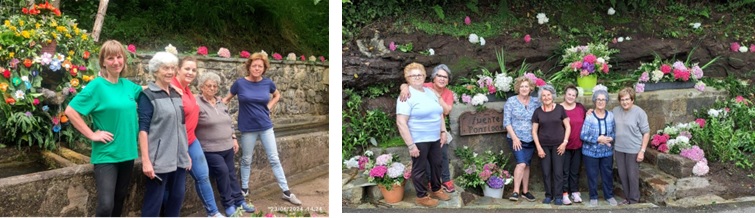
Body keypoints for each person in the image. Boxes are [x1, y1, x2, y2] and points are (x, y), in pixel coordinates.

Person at [65, 40, 142, 217]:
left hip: (127, 152)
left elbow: (148, 90)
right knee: (106, 204)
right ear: (103, 62)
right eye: (110, 58)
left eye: (119, 57)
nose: (116, 62)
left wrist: (174, 85)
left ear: (124, 59)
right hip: (106, 154)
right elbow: (71, 111)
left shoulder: (128, 86)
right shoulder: (97, 86)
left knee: (120, 198)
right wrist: (92, 134)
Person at [222, 52, 301, 205]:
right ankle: (244, 189)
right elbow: (226, 99)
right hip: (247, 128)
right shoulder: (239, 83)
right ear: (249, 67)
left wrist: (269, 107)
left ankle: (286, 191)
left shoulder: (268, 83)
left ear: (264, 68)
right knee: (246, 160)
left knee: (274, 158)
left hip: (265, 126)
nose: (257, 68)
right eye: (254, 65)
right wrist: (214, 104)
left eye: (260, 66)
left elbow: (277, 95)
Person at [172, 56, 237, 217]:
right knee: (175, 187)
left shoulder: (187, 90)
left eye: (193, 70)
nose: (190, 72)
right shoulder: (172, 88)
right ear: (177, 70)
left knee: (202, 176)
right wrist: (182, 148)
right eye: (187, 68)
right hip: (177, 143)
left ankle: (213, 212)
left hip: (191, 140)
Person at [137, 52, 192, 217]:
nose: (170, 72)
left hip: (179, 158)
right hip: (159, 160)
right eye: (165, 68)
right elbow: (143, 130)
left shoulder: (176, 94)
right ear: (155, 71)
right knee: (154, 204)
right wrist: (146, 161)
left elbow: (180, 126)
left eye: (172, 68)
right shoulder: (147, 96)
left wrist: (186, 153)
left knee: (176, 199)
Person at [196, 72, 255, 216]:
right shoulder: (196, 102)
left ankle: (239, 201)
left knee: (231, 174)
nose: (212, 88)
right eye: (208, 86)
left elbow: (229, 122)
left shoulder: (220, 102)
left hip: (227, 146)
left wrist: (234, 138)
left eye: (214, 86)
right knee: (222, 172)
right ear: (201, 87)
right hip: (209, 148)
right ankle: (228, 204)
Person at [395, 62, 449, 207]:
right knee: (420, 169)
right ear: (407, 78)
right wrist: (411, 145)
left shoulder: (430, 92)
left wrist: (443, 131)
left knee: (437, 165)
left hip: (435, 138)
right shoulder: (405, 96)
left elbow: (440, 114)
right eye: (413, 75)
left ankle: (437, 189)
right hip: (418, 139)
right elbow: (401, 122)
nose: (417, 77)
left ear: (425, 76)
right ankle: (421, 196)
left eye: (419, 74)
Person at [532, 84, 571, 205]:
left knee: (558, 172)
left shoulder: (560, 109)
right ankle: (548, 195)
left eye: (548, 95)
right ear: (541, 98)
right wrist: (538, 147)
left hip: (558, 145)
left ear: (552, 96)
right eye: (543, 95)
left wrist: (564, 142)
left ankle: (558, 196)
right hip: (543, 146)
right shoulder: (537, 112)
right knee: (546, 171)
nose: (546, 97)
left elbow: (568, 127)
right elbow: (534, 131)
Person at [504, 76, 541, 202]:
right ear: (518, 88)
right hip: (516, 138)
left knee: (527, 165)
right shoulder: (511, 101)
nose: (524, 89)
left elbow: (550, 106)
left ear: (531, 88)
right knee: (521, 163)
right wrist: (514, 138)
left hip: (531, 139)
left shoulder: (536, 102)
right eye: (521, 86)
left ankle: (525, 191)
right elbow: (506, 122)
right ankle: (515, 191)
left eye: (526, 86)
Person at [580, 86, 618, 206]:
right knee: (592, 175)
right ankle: (593, 196)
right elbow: (583, 135)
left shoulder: (611, 116)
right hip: (590, 152)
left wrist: (611, 138)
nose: (601, 102)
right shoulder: (590, 116)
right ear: (594, 101)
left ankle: (609, 196)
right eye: (598, 99)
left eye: (603, 99)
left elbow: (614, 132)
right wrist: (597, 139)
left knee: (607, 174)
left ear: (606, 101)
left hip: (606, 151)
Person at [612, 87, 650, 205]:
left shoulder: (639, 112)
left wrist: (642, 151)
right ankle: (628, 198)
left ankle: (634, 200)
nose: (625, 102)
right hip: (619, 149)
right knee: (623, 175)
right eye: (622, 99)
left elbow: (646, 133)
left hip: (633, 149)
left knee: (632, 176)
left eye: (627, 99)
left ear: (632, 100)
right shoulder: (615, 111)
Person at [559, 85, 586, 205]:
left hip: (578, 144)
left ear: (576, 97)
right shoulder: (558, 108)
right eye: (569, 94)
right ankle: (564, 193)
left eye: (573, 95)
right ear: (565, 94)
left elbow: (586, 121)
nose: (571, 97)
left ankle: (574, 191)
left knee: (575, 170)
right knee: (564, 171)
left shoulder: (580, 108)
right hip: (563, 146)